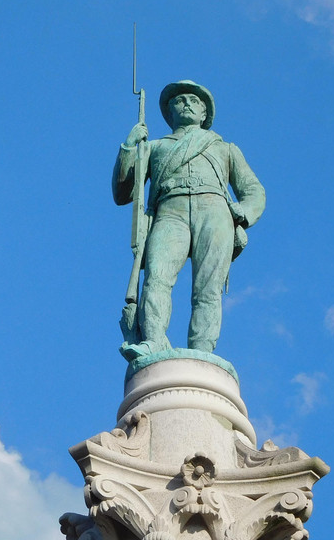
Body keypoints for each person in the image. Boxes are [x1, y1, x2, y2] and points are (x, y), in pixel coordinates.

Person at [113, 80, 265, 358]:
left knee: (208, 287)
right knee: (157, 277)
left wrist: (244, 211)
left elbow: (253, 190)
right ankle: (154, 339)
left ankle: (202, 349)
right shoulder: (154, 147)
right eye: (179, 100)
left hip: (215, 211)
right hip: (170, 211)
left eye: (194, 101)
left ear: (204, 114)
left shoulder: (224, 148)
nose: (186, 103)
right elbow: (124, 193)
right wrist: (128, 147)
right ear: (169, 111)